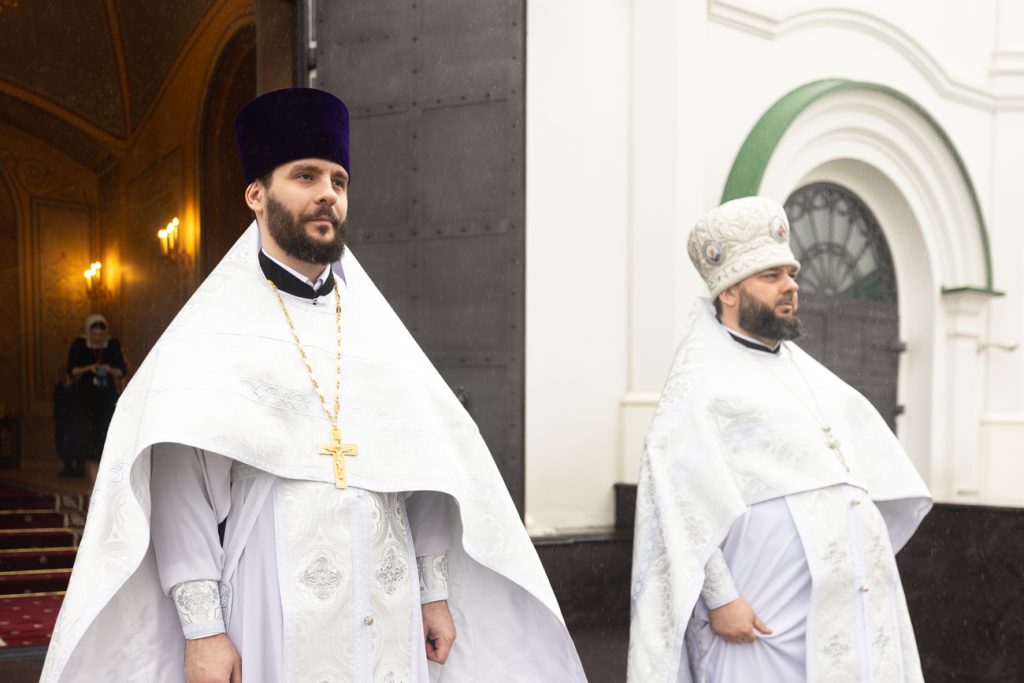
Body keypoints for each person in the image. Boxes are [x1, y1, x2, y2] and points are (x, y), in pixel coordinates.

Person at [41, 88, 585, 682]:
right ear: (256, 194)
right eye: (306, 176)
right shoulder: (210, 334)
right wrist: (203, 632)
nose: (329, 193)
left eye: (339, 180)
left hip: (388, 599)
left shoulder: (379, 334)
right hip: (271, 598)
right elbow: (181, 487)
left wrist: (433, 592)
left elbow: (425, 466)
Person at [627, 196, 933, 682]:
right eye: (771, 276)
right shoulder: (700, 386)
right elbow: (677, 505)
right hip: (762, 620)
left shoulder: (813, 377)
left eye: (791, 274)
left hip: (842, 610)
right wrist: (721, 598)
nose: (791, 285)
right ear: (729, 292)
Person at [65, 314, 126, 480]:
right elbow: (72, 370)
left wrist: (108, 369)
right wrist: (89, 368)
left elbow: (122, 371)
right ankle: (94, 482)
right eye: (94, 334)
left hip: (106, 400)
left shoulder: (112, 345)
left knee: (107, 439)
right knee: (89, 441)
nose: (98, 337)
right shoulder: (80, 344)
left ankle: (106, 482)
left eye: (101, 334)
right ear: (88, 332)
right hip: (86, 400)